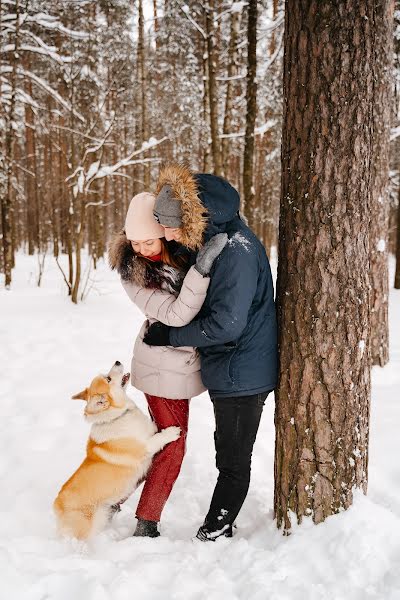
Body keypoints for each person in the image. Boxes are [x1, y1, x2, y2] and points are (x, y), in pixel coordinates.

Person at [143, 165, 278, 541]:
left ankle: (216, 528)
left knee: (234, 459)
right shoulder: (220, 241)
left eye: (170, 225)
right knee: (227, 450)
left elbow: (226, 324)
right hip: (233, 366)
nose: (167, 234)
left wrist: (172, 335)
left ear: (192, 218)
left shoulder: (235, 250)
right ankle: (220, 523)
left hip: (242, 371)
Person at [109, 191, 227, 538]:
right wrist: (202, 270)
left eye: (148, 240)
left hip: (179, 364)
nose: (142, 250)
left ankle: (111, 497)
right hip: (161, 368)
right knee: (173, 445)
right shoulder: (133, 273)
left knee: (161, 442)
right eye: (135, 242)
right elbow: (177, 314)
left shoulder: (179, 255)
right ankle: (147, 522)